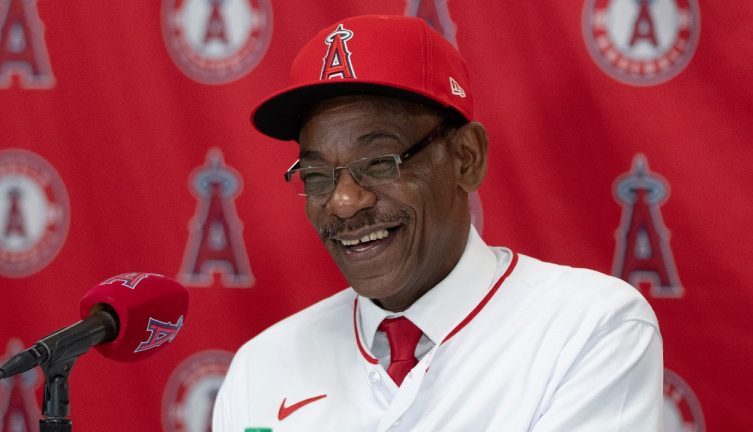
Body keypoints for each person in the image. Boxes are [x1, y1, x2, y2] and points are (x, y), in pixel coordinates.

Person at [213, 14, 662, 431]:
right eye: (315, 175)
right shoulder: (262, 365)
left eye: (378, 162)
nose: (345, 202)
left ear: (467, 158)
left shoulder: (588, 327)